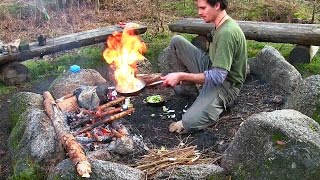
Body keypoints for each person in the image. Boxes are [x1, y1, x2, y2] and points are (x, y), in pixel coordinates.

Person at [161, 0, 247, 134]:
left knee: (188, 123)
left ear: (217, 5)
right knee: (177, 42)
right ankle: (190, 90)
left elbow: (218, 77)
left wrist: (181, 76)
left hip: (226, 86)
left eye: (203, 8)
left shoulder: (227, 33)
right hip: (212, 67)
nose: (199, 12)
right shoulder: (219, 24)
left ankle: (213, 105)